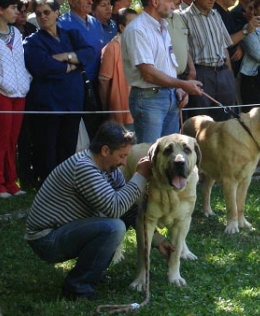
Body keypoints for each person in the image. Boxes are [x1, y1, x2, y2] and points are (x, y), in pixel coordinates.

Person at [25, 121, 173, 300]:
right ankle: (77, 287)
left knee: (117, 222)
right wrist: (140, 176)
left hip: (61, 230)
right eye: (121, 156)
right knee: (113, 227)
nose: (125, 162)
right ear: (105, 150)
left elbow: (128, 210)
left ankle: (92, 271)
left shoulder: (107, 168)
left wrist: (157, 240)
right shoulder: (84, 167)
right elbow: (115, 208)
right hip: (46, 238)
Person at [24, 0, 97, 185]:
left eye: (47, 12)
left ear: (57, 12)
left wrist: (66, 56)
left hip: (72, 101)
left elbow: (89, 54)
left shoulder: (71, 35)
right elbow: (42, 66)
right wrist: (73, 64)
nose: (43, 17)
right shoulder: (32, 41)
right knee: (47, 147)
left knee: (68, 146)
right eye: (38, 14)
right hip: (47, 103)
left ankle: (65, 185)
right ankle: (48, 186)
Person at [122, 0, 203, 143]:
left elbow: (166, 65)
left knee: (170, 154)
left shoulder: (163, 26)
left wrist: (177, 88)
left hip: (170, 96)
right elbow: (148, 73)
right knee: (149, 155)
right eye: (169, 1)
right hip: (148, 99)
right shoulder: (138, 29)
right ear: (155, 2)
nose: (173, 6)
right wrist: (182, 84)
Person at [182, 0, 236, 121]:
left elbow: (224, 46)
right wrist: (191, 74)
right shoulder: (184, 17)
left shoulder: (216, 15)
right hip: (201, 74)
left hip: (222, 73)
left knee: (226, 123)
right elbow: (183, 50)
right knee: (200, 123)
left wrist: (229, 74)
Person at [58, 0, 107, 139]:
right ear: (72, 1)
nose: (90, 1)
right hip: (77, 82)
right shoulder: (62, 24)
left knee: (99, 126)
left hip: (100, 81)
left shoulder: (95, 22)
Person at [0, 0, 31, 198]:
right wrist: (1, 82)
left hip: (20, 92)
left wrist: (26, 79)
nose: (16, 12)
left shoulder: (16, 34)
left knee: (12, 139)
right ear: (0, 10)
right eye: (12, 8)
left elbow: (21, 62)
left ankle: (11, 182)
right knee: (0, 139)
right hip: (0, 92)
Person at [99, 8, 138, 129]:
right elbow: (103, 80)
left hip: (140, 108)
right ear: (122, 27)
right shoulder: (112, 48)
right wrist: (107, 106)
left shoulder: (137, 45)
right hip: (122, 110)